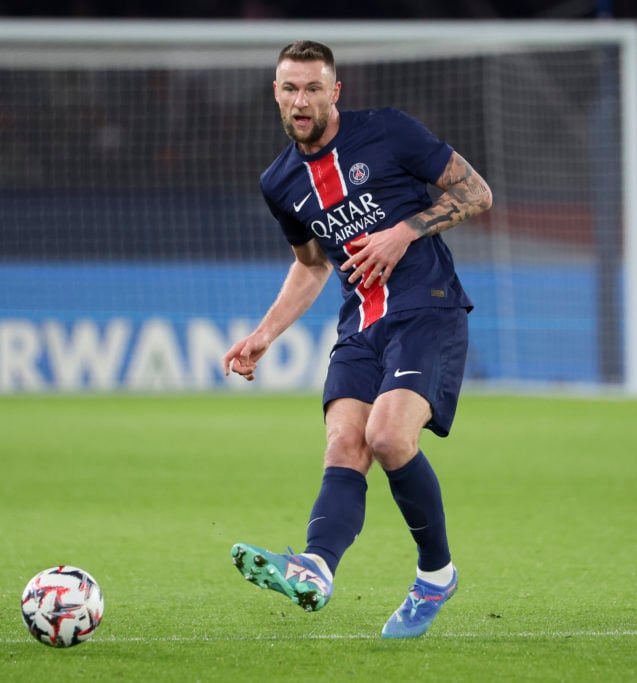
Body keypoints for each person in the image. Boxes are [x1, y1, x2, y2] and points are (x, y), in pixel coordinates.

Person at [222, 40, 492, 639]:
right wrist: (264, 333)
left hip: (427, 309)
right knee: (345, 444)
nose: (302, 100)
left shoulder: (388, 132)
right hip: (360, 325)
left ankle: (435, 575)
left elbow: (477, 192)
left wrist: (404, 232)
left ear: (334, 92)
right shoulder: (280, 181)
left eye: (314, 88)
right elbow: (312, 264)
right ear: (276, 93)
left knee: (388, 437)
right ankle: (315, 567)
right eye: (291, 88)